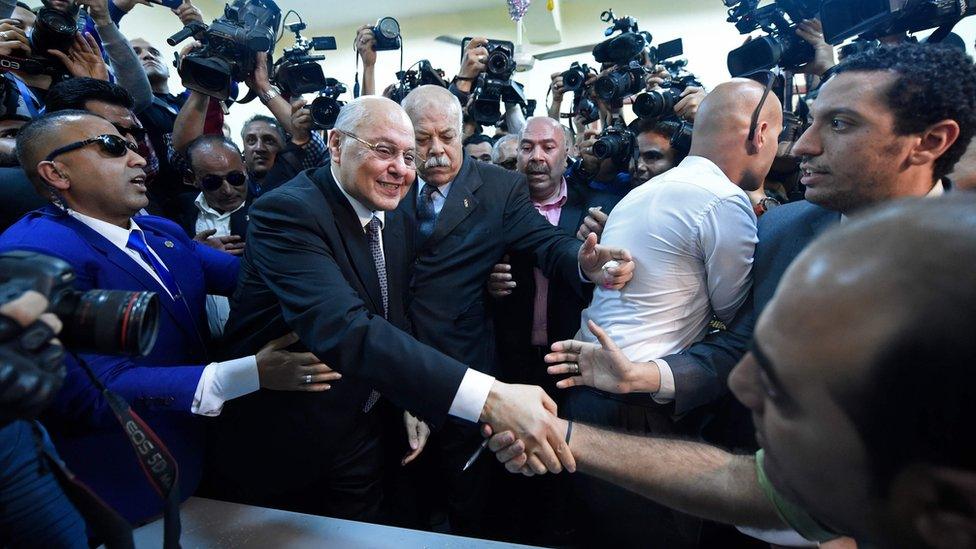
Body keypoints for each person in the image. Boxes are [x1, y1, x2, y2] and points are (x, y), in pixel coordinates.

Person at [210, 96, 618, 521]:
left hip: (370, 417)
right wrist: (490, 397)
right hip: (290, 432)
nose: (405, 167)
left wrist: (408, 395)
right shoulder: (289, 210)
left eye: (409, 156)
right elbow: (349, 327)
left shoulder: (392, 206)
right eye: (388, 151)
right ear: (335, 145)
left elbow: (393, 309)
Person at [490, 195, 976, 548]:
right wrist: (560, 433)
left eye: (791, 381)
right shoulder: (859, 478)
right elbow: (741, 483)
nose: (742, 382)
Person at [545, 44, 975, 440]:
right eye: (811, 120)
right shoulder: (779, 229)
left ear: (931, 142)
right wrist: (647, 376)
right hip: (745, 485)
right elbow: (738, 344)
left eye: (840, 124)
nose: (804, 145)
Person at [0, 110, 334, 524]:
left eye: (131, 144)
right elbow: (92, 391)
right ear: (57, 173)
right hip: (121, 487)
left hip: (198, 463)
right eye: (111, 147)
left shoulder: (159, 232)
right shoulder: (34, 253)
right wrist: (251, 374)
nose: (138, 157)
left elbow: (253, 280)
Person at [396, 84, 633, 537]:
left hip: (463, 366)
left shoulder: (500, 189)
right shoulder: (387, 180)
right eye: (422, 140)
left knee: (470, 502)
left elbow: (546, 242)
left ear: (462, 133)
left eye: (446, 137)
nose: (436, 151)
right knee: (402, 502)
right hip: (388, 363)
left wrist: (582, 264)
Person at [486, 116, 620, 544]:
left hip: (573, 360)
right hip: (509, 358)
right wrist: (485, 283)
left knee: (569, 462)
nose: (537, 157)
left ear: (568, 153)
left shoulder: (595, 209)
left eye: (548, 147)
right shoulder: (493, 206)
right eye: (527, 148)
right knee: (510, 463)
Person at [173, 135, 250, 338]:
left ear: (245, 167)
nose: (227, 190)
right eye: (212, 182)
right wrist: (192, 252)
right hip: (203, 350)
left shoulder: (270, 211)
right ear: (192, 178)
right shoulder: (176, 212)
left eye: (235, 178)